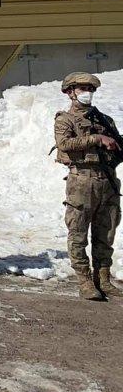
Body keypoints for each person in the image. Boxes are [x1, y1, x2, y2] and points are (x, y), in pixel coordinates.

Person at [54, 72, 121, 301]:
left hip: (107, 182)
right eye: (82, 89)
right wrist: (96, 140)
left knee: (106, 233)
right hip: (82, 182)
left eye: (90, 89)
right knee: (78, 233)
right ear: (70, 92)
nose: (87, 93)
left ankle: (103, 280)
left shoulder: (104, 120)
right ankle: (84, 281)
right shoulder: (65, 120)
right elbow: (64, 144)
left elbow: (117, 148)